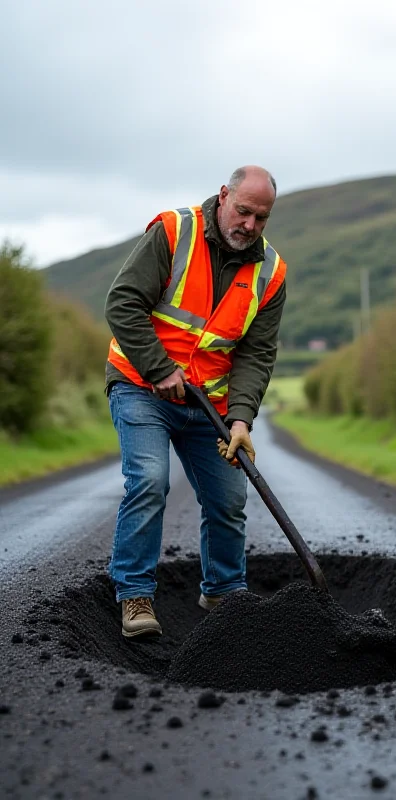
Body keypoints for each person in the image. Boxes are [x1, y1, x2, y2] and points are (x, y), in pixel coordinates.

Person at [104, 166, 287, 638]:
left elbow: (256, 353)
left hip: (211, 403)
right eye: (243, 211)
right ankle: (135, 595)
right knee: (149, 481)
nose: (249, 225)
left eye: (260, 219)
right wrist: (158, 368)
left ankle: (225, 594)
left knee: (228, 498)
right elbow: (123, 303)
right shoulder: (172, 231)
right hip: (141, 386)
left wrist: (242, 419)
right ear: (224, 196)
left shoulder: (271, 272)